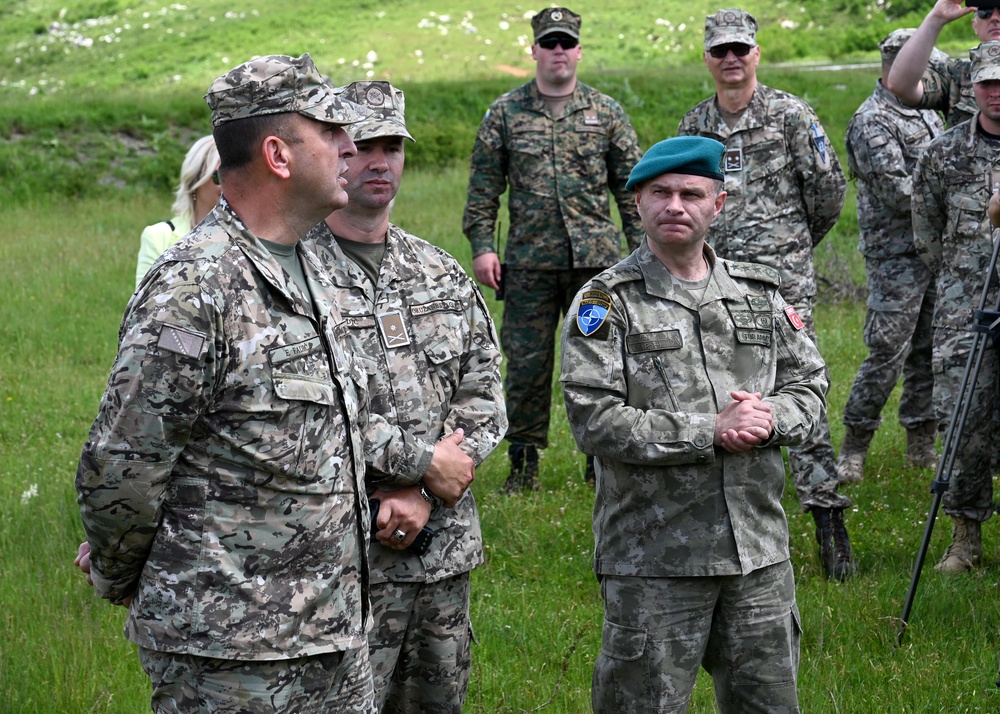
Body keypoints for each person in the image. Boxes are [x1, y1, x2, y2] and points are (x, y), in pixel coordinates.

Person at [73, 54, 378, 712]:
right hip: (228, 655)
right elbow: (123, 462)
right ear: (277, 153)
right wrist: (132, 572)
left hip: (334, 638)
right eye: (330, 130)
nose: (351, 146)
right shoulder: (195, 285)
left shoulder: (322, 268)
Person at [560, 135, 828, 713]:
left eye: (691, 193)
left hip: (758, 553)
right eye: (660, 193)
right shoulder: (606, 302)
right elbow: (593, 419)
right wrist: (709, 429)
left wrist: (766, 418)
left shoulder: (759, 292)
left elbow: (810, 387)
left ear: (718, 205)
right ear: (638, 204)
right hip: (655, 559)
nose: (675, 205)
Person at [302, 80, 507, 713]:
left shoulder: (437, 270)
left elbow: (486, 390)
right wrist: (412, 472)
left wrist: (425, 490)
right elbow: (306, 419)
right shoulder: (291, 272)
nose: (377, 162)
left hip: (440, 555)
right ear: (334, 153)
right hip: (337, 564)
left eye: (392, 147)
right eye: (361, 145)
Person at [677, 7, 856, 580]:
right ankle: (719, 528)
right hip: (713, 281)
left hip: (782, 285)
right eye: (720, 51)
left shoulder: (790, 116)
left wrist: (792, 245)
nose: (731, 59)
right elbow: (680, 198)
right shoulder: (694, 127)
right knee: (714, 391)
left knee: (796, 391)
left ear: (756, 54)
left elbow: (827, 193)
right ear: (707, 59)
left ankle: (829, 524)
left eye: (741, 50)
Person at [462, 6, 643, 493]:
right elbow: (483, 187)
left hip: (596, 265)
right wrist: (483, 246)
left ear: (578, 50)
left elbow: (632, 189)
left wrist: (643, 253)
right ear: (535, 50)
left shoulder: (606, 112)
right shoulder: (506, 112)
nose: (558, 51)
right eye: (550, 43)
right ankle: (523, 464)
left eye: (566, 43)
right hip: (527, 264)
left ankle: (601, 459)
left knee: (602, 360)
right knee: (526, 364)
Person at [836, 29, 945, 483]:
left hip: (934, 250)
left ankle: (921, 443)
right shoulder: (871, 120)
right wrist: (955, 196)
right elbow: (898, 193)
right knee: (887, 353)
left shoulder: (928, 114)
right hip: (895, 257)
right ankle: (854, 447)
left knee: (930, 351)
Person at [912, 41, 1000, 574]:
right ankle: (965, 538)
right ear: (973, 88)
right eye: (988, 82)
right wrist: (964, 279)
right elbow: (926, 232)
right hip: (966, 311)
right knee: (964, 423)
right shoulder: (943, 153)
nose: (997, 93)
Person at [886, 0, 1000, 128]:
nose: (995, 18)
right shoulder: (956, 74)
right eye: (986, 12)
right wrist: (936, 18)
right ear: (975, 26)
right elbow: (900, 85)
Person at [135, 135, 221, 286]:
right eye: (218, 176)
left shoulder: (252, 236)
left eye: (234, 176)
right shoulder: (158, 237)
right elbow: (143, 305)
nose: (228, 184)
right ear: (195, 179)